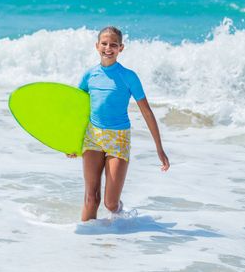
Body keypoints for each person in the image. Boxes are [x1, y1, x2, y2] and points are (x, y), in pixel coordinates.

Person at [67, 26, 170, 221]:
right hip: (92, 137)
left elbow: (146, 112)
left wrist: (159, 148)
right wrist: (70, 143)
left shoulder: (128, 76)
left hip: (118, 138)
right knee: (91, 198)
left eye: (113, 45)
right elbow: (76, 110)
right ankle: (86, 244)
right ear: (97, 46)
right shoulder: (90, 75)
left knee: (110, 203)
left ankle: (121, 220)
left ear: (121, 48)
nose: (108, 48)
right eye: (104, 44)